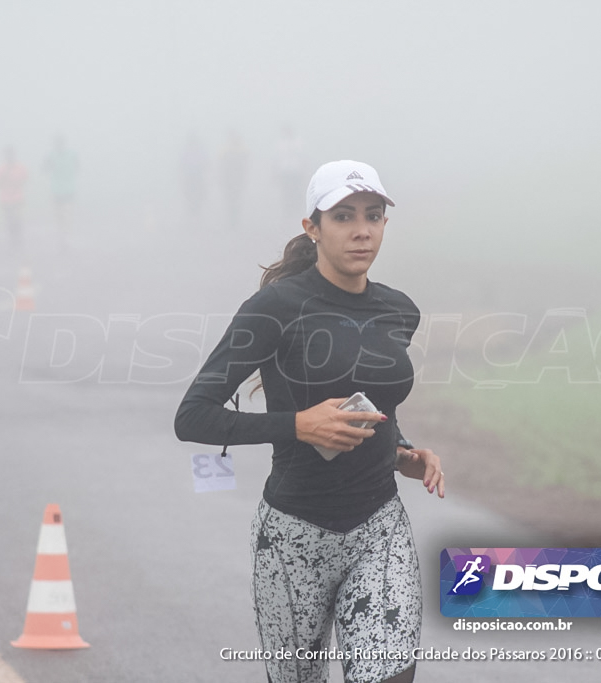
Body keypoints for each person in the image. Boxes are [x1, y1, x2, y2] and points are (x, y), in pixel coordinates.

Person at [175, 160, 444, 683]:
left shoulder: (398, 310)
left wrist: (403, 452)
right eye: (343, 216)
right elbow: (194, 416)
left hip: (378, 528)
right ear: (312, 229)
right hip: (294, 535)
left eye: (373, 215)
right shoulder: (274, 307)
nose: (361, 229)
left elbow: (377, 401)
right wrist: (297, 425)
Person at [43, 135, 79, 233]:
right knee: (58, 213)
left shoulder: (72, 154)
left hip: (69, 189)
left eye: (60, 142)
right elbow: (45, 168)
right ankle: (62, 230)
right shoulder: (51, 155)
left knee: (67, 212)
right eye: (57, 143)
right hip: (56, 189)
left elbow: (77, 166)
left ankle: (66, 231)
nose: (59, 145)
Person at [0, 145, 29, 248]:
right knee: (9, 220)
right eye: (8, 155)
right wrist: (4, 178)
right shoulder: (0, 169)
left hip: (18, 198)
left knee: (18, 219)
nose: (10, 157)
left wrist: (18, 182)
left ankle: (18, 240)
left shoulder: (20, 167)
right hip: (5, 199)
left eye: (11, 154)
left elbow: (26, 179)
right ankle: (12, 241)